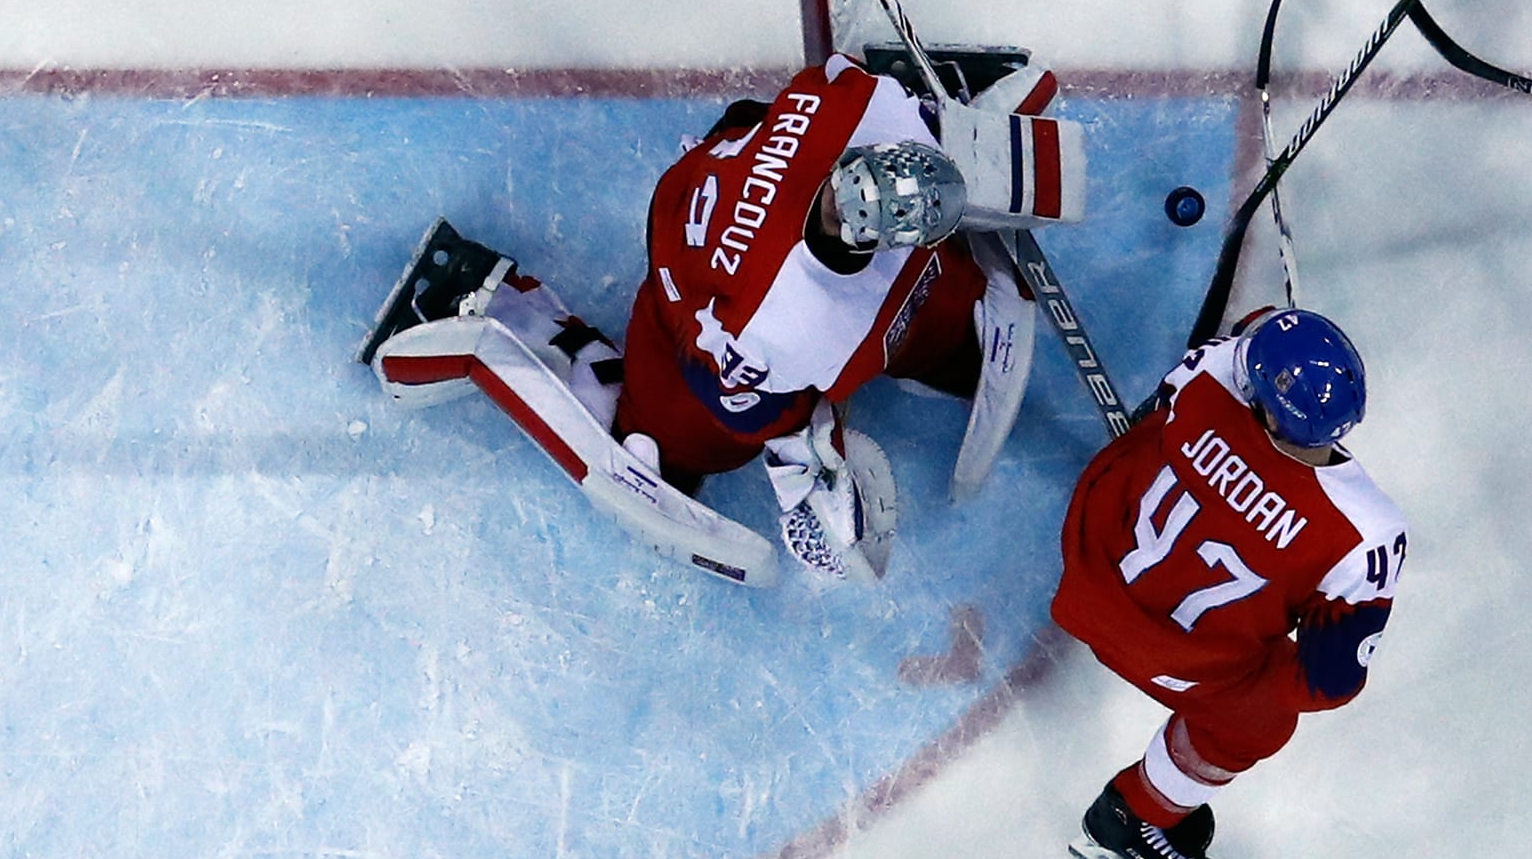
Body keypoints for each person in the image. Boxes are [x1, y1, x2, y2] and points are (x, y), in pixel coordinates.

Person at [356, 52, 1085, 584]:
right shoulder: (784, 323)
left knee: (917, 311)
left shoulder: (858, 106)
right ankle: (497, 310)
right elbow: (764, 409)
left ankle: (953, 322)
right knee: (677, 442)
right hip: (694, 320)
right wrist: (809, 464)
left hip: (711, 195)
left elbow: (775, 115)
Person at [1052, 307, 1408, 859]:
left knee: (1152, 434)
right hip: (1161, 651)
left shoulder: (1209, 374)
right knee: (1261, 718)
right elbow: (1329, 681)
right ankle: (1132, 816)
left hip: (1087, 562)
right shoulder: (1366, 533)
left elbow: (1226, 354)